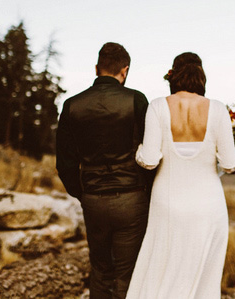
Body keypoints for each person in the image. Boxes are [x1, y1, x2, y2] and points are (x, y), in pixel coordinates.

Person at [126, 52, 235, 299]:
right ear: (201, 75)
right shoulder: (218, 109)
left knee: (162, 268)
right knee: (204, 279)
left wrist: (137, 152)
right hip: (208, 206)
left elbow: (149, 160)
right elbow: (230, 164)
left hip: (168, 203)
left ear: (173, 75)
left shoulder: (158, 106)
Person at [56, 42, 151, 299]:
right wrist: (146, 193)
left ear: (97, 68)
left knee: (100, 271)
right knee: (126, 274)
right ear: (125, 70)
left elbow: (64, 162)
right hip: (131, 199)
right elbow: (150, 153)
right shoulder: (136, 100)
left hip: (93, 199)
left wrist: (83, 192)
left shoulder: (72, 105)